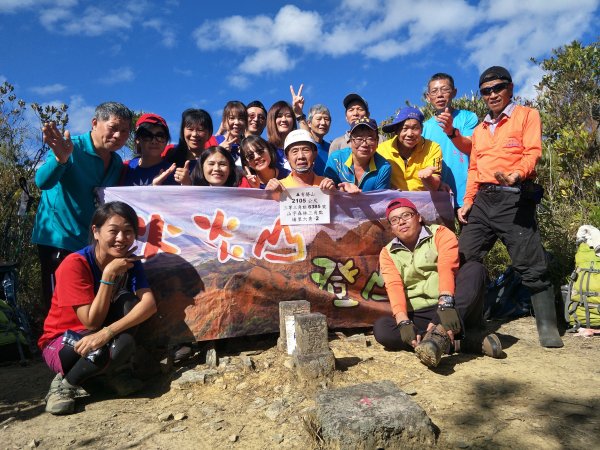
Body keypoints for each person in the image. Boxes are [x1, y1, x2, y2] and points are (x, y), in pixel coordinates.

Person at [457, 66, 563, 348]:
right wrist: (467, 201)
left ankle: (548, 327)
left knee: (530, 262)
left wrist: (518, 173)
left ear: (510, 88)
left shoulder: (528, 116)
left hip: (514, 197)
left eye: (498, 88)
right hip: (482, 199)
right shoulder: (479, 130)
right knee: (466, 257)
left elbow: (533, 153)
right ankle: (472, 320)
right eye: (486, 91)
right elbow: (474, 168)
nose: (492, 95)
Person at [38, 201, 157, 415]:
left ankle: (112, 373)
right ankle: (64, 385)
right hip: (61, 339)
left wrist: (108, 332)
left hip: (99, 333)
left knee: (127, 317)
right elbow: (90, 321)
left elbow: (149, 305)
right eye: (114, 231)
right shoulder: (74, 264)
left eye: (128, 232)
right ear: (96, 231)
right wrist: (109, 274)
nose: (121, 239)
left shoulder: (130, 262)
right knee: (100, 350)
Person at [373, 198, 502, 368]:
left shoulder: (441, 234)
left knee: (474, 269)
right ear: (391, 227)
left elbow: (446, 267)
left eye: (406, 215)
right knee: (382, 329)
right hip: (420, 313)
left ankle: (440, 334)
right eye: (395, 220)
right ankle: (462, 341)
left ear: (418, 217)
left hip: (453, 307)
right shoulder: (387, 253)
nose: (401, 222)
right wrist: (403, 321)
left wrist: (446, 303)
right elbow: (394, 286)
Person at [33, 102, 133, 311]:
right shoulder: (71, 147)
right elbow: (42, 182)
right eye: (113, 128)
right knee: (58, 305)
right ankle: (53, 344)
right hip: (59, 239)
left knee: (86, 303)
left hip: (91, 243)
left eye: (124, 131)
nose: (118, 136)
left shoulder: (116, 162)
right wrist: (60, 160)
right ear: (95, 123)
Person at [422, 73, 478, 208]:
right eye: (434, 91)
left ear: (454, 92)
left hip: (467, 194)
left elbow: (471, 147)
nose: (440, 95)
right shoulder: (423, 128)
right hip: (437, 195)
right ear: (428, 97)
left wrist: (451, 131)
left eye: (445, 89)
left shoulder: (468, 117)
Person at [377, 107, 442, 191]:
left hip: (423, 202)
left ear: (421, 130)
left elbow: (435, 185)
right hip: (392, 202)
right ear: (396, 131)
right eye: (405, 128)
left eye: (415, 128)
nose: (410, 134)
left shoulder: (433, 148)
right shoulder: (381, 150)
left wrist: (427, 178)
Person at [324, 117, 391, 192]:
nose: (364, 144)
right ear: (350, 141)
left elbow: (379, 199)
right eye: (358, 138)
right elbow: (327, 192)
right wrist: (338, 190)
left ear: (377, 142)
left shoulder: (384, 167)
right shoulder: (336, 159)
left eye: (370, 138)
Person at [265, 129, 336, 192]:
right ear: (287, 157)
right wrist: (268, 196)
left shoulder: (326, 185)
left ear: (315, 154)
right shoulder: (279, 187)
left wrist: (335, 196)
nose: (301, 156)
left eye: (306, 150)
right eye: (295, 151)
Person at [120, 113, 175, 186]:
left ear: (166, 140)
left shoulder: (173, 173)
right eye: (147, 136)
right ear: (137, 139)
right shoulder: (125, 169)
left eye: (160, 136)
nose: (154, 141)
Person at [266, 100, 297, 170]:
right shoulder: (267, 149)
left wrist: (299, 113)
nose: (284, 119)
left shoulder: (298, 147)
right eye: (279, 116)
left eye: (288, 116)